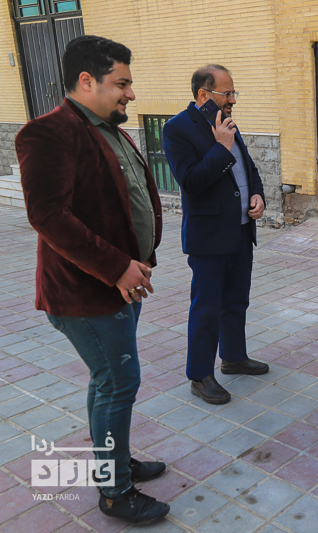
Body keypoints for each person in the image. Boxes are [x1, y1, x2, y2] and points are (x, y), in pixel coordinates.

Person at [16, 35, 169, 523]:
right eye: (121, 83)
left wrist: (136, 261)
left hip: (121, 286)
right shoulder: (48, 133)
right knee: (119, 383)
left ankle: (114, 460)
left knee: (108, 382)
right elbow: (47, 216)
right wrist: (117, 266)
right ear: (87, 81)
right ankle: (115, 492)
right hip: (86, 294)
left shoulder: (108, 129)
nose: (130, 94)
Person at [163, 65, 269, 404]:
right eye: (228, 94)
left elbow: (248, 168)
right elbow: (190, 181)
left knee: (236, 301)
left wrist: (257, 194)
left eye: (234, 93)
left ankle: (234, 358)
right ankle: (199, 375)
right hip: (208, 237)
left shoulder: (226, 123)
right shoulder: (177, 128)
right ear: (204, 95)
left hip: (240, 232)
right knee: (206, 309)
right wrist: (221, 146)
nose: (233, 100)